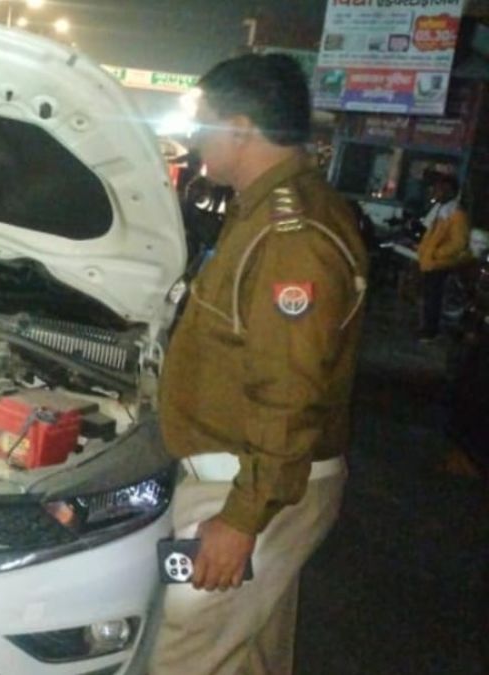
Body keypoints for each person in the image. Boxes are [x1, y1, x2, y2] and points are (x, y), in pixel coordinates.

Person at [150, 53, 368, 675]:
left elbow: (289, 393)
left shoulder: (290, 237)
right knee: (248, 654)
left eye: (204, 123)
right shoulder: (261, 213)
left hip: (247, 487)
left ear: (241, 128)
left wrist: (241, 520)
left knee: (184, 653)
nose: (195, 139)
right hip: (248, 479)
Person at [415, 170, 469, 342]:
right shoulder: (442, 211)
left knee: (434, 299)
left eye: (439, 189)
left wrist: (436, 254)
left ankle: (430, 331)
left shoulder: (456, 214)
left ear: (448, 191)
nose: (435, 192)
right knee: (429, 298)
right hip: (431, 262)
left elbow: (458, 243)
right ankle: (426, 328)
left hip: (440, 264)